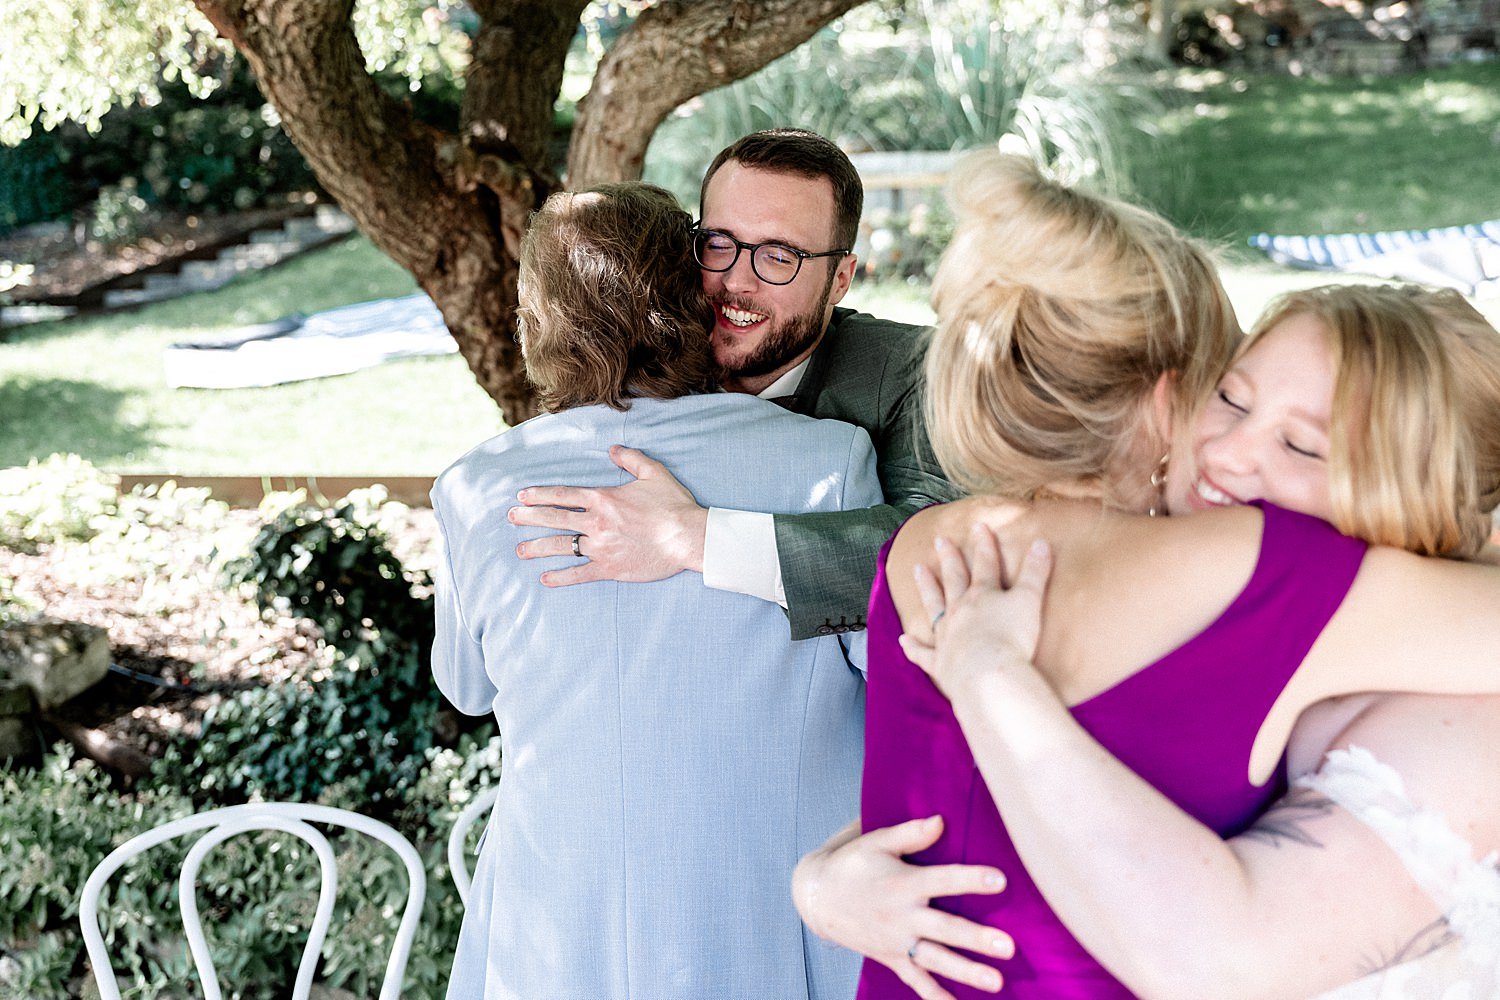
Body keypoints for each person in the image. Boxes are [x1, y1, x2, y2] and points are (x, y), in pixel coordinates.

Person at [789, 151, 1500, 999]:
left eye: (1303, 445)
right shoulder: (1284, 576)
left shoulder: (926, 548)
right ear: (1171, 401)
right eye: (1231, 400)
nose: (1232, 454)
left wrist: (820, 878)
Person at [432, 182, 883, 999]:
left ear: (538, 317)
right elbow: (891, 662)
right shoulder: (829, 463)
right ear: (693, 294)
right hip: (774, 925)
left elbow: (465, 688)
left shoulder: (473, 488)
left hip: (555, 933)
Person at [508, 128, 959, 640]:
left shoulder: (914, 370)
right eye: (719, 243)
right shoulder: (646, 353)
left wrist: (692, 538)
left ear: (840, 278)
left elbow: (940, 552)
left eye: (779, 256)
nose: (737, 281)